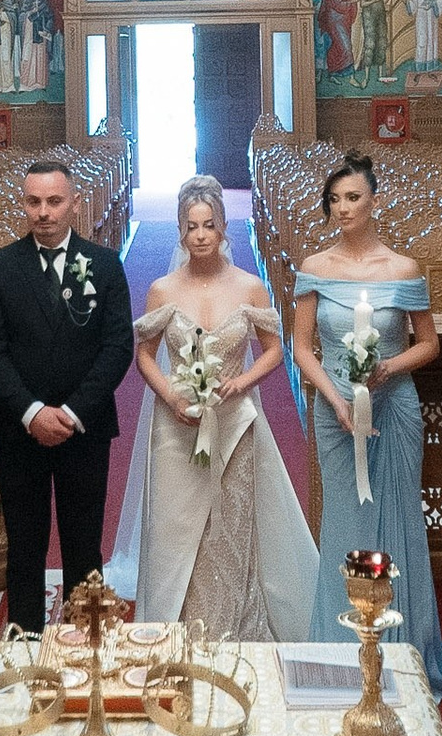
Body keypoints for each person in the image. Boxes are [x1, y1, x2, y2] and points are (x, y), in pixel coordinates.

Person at [110, 173, 316, 637]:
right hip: (174, 424)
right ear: (180, 232)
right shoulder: (163, 289)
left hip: (235, 421)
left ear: (222, 227)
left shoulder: (249, 287)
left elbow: (274, 349)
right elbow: (143, 353)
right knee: (176, 529)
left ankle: (229, 627)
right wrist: (169, 395)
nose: (200, 236)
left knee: (228, 526)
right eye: (190, 226)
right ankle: (172, 627)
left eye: (208, 225)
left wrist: (241, 382)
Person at [290, 148, 442, 694]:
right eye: (335, 199)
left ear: (374, 200)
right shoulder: (315, 267)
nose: (344, 208)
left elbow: (428, 345)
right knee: (347, 520)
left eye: (354, 197)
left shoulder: (403, 269)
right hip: (336, 411)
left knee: (397, 517)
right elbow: (302, 348)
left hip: (396, 405)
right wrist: (335, 398)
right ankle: (342, 650)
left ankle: (404, 647)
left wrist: (388, 367)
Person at [0, 151, 134, 633]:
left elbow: (117, 347)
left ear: (75, 204)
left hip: (83, 429)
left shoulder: (103, 266)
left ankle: (88, 643)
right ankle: (25, 643)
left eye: (54, 202)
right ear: (23, 204)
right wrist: (32, 412)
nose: (43, 212)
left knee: (85, 543)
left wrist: (70, 412)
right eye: (34, 202)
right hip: (18, 430)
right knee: (25, 543)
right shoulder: (1, 267)